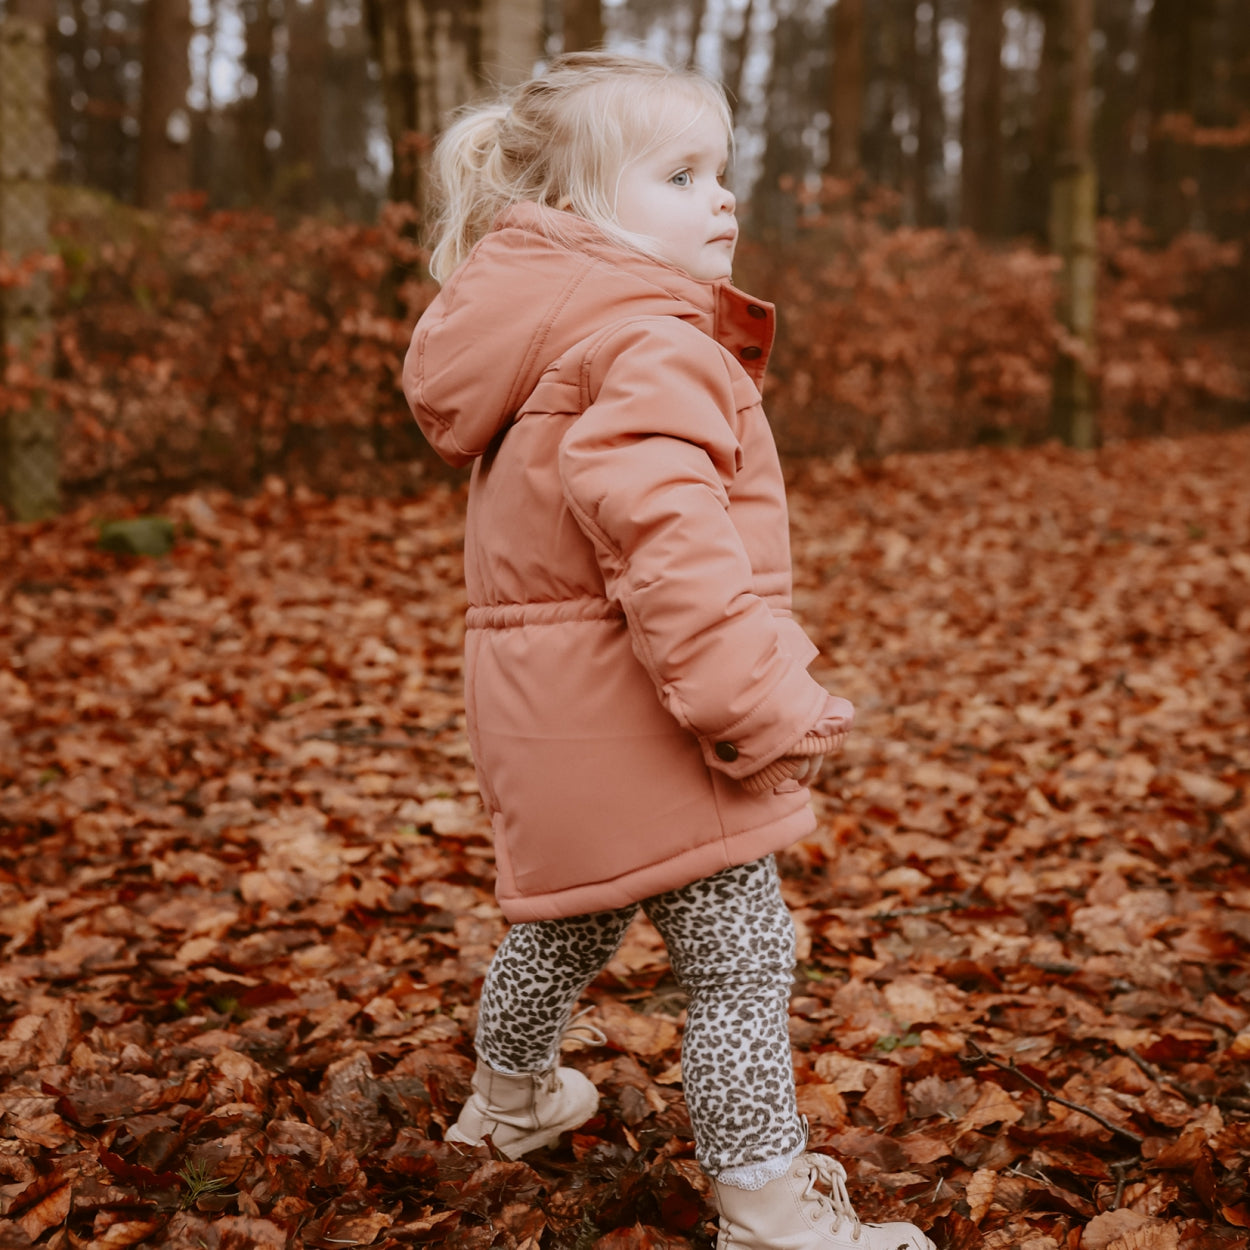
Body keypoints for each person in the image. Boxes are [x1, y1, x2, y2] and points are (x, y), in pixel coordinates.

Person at [402, 51, 934, 1250]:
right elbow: (670, 547)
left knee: (567, 921)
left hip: (548, 716)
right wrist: (760, 705)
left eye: (721, 171)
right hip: (656, 716)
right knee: (741, 955)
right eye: (680, 175)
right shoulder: (648, 340)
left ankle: (507, 1104)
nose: (721, 197)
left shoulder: (543, 341)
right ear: (577, 206)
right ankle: (765, 1201)